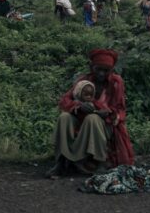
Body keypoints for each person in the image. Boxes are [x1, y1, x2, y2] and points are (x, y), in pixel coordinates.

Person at [46, 49, 134, 178]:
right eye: (98, 69)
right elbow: (65, 100)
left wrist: (108, 113)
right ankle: (61, 161)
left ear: (111, 70)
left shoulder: (116, 82)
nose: (101, 74)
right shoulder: (84, 81)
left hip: (105, 125)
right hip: (81, 122)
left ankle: (100, 162)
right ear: (92, 67)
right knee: (64, 117)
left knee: (92, 118)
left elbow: (120, 109)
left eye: (105, 70)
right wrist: (78, 106)